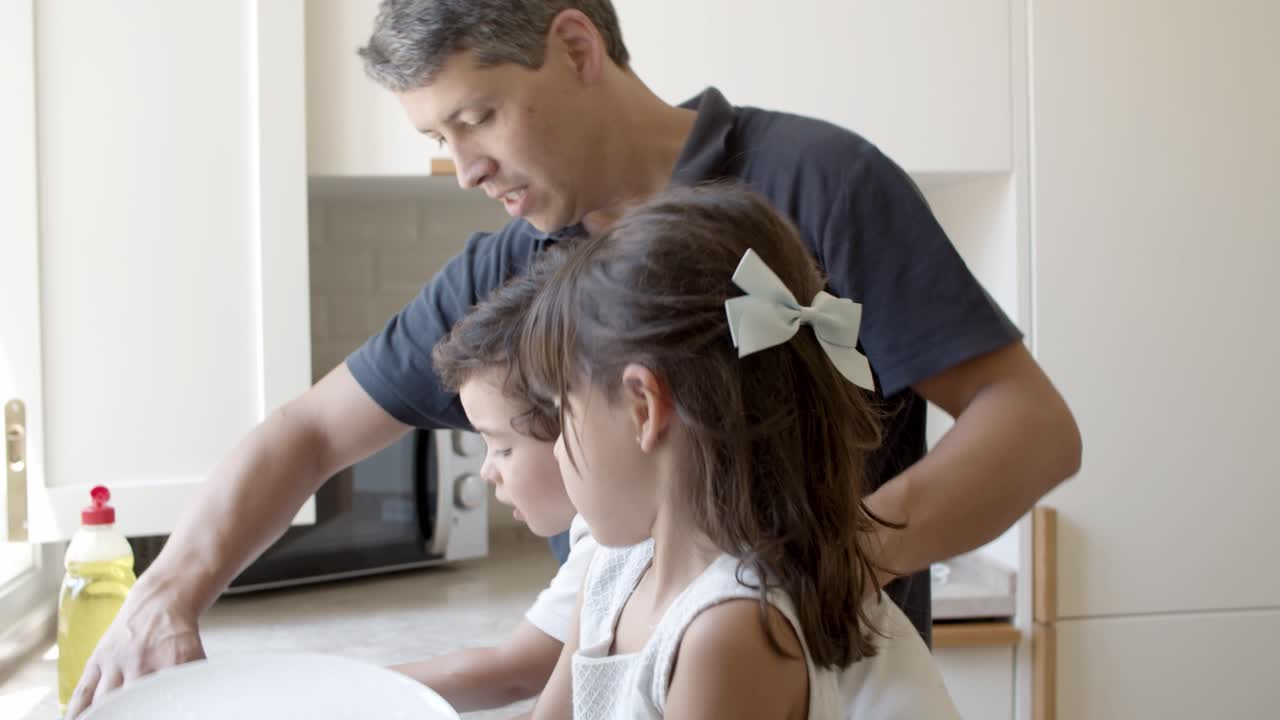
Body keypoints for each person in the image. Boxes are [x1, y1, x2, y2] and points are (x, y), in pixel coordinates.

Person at [65, 1, 1081, 717]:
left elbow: (1030, 428)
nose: (463, 168)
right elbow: (310, 432)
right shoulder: (510, 266)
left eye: (475, 117)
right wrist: (164, 598)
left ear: (576, 45)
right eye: (438, 136)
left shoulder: (818, 183)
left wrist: (808, 567)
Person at [522, 184, 959, 719]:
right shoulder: (613, 571)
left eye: (562, 411)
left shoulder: (729, 631)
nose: (557, 450)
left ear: (643, 407)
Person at [388, 251, 597, 712]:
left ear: (580, 424)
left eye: (501, 447)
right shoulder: (610, 537)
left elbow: (513, 671)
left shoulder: (612, 548)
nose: (486, 471)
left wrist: (349, 686)